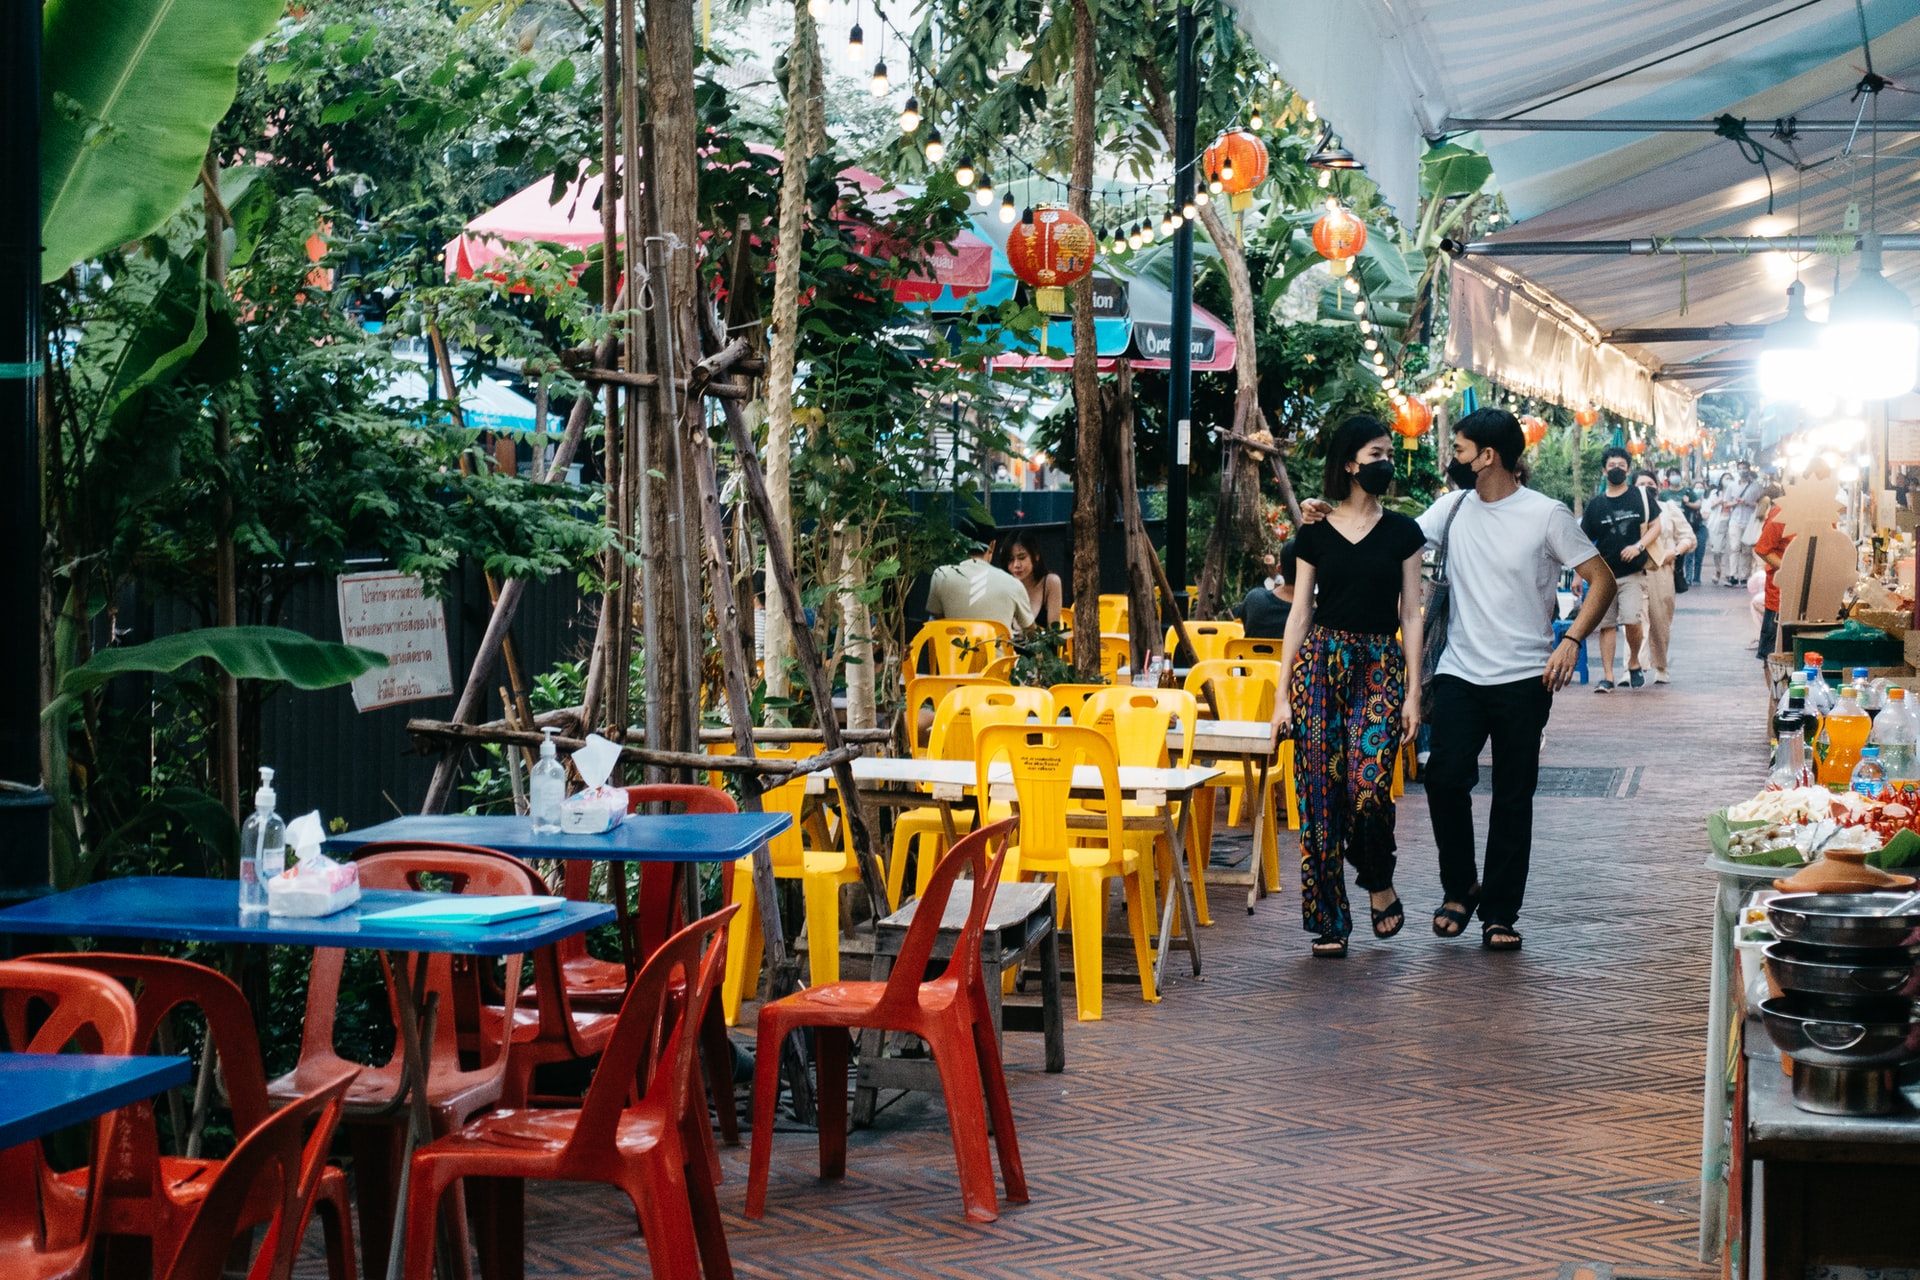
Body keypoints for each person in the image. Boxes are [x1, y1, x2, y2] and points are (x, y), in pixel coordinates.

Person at [1272, 418, 1426, 958]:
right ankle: (1329, 920)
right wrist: (1280, 694)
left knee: (1366, 786)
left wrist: (1412, 692)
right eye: (1376, 452)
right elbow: (1298, 614)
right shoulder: (1313, 530)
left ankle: (1378, 879)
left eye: (1389, 452)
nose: (1386, 461)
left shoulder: (1405, 532)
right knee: (1318, 796)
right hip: (1321, 664)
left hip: (1381, 664)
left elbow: (1412, 611)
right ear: (1349, 463)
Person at [1580, 446, 1661, 690]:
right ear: (1604, 470)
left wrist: (1639, 546)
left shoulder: (1641, 497)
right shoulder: (1596, 505)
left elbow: (1657, 526)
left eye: (1621, 467)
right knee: (1606, 625)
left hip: (1632, 573)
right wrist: (1577, 575)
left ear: (1628, 470)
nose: (1617, 470)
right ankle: (1608, 676)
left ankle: (1634, 661)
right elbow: (1583, 542)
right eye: (1612, 466)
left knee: (1631, 620)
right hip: (1603, 576)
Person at [925, 518, 1035, 635]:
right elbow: (1031, 632)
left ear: (957, 543)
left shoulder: (941, 574)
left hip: (952, 652)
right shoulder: (1013, 584)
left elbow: (939, 618)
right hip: (998, 653)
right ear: (992, 545)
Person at [1638, 469, 1693, 684]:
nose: (1646, 487)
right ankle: (1634, 666)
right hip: (1635, 571)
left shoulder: (1668, 509)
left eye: (1649, 483)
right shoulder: (1630, 510)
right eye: (1640, 483)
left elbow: (1688, 536)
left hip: (1662, 571)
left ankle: (1661, 666)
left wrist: (1676, 552)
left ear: (1658, 486)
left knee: (1660, 622)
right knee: (1634, 620)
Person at [1753, 490, 1792, 662]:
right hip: (1780, 596)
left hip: (1815, 597)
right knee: (1772, 657)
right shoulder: (1783, 512)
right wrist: (1791, 569)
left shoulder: (1824, 513)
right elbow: (1762, 549)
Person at [1232, 540, 1297, 639]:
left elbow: (1237, 618)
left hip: (1253, 655)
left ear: (1279, 569)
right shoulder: (1317, 618)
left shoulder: (1255, 600)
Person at [1002, 530, 1062, 627]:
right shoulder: (1004, 585)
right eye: (1010, 560)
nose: (1016, 565)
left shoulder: (1050, 583)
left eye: (1022, 558)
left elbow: (1054, 632)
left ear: (1036, 555)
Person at [1660, 467, 1705, 585]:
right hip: (1669, 529)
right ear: (1668, 478)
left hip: (1684, 527)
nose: (1675, 477)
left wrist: (1688, 503)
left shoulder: (1688, 492)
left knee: (1683, 553)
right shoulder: (1664, 494)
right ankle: (1673, 577)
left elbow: (1698, 505)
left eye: (1677, 474)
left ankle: (1683, 577)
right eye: (1672, 474)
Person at [1727, 463, 1766, 586]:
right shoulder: (1732, 486)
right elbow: (1726, 504)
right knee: (1734, 547)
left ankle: (1744, 576)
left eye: (1745, 468)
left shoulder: (1757, 487)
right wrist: (1735, 502)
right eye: (1740, 468)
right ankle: (1733, 574)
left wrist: (1747, 503)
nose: (1742, 471)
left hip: (1750, 522)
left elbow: (1761, 505)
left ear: (1749, 470)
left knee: (1747, 549)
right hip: (1735, 521)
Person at [1702, 474, 1737, 586]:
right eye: (1726, 478)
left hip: (1731, 521)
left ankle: (1728, 575)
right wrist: (1718, 502)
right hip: (1717, 522)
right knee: (1717, 550)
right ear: (1721, 480)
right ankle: (1718, 569)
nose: (1728, 481)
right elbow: (1708, 507)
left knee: (1729, 549)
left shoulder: (1735, 493)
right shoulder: (1714, 493)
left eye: (1730, 479)